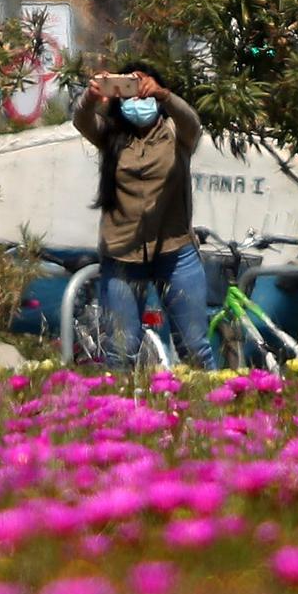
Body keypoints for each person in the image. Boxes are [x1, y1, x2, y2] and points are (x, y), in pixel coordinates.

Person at [72, 61, 211, 367]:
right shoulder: (110, 137)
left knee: (194, 349)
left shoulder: (176, 135)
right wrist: (91, 97)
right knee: (120, 353)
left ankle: (210, 411)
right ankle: (121, 412)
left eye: (143, 90)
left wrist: (163, 95)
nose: (138, 100)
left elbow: (192, 122)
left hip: (175, 252)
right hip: (122, 255)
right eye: (130, 92)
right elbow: (81, 121)